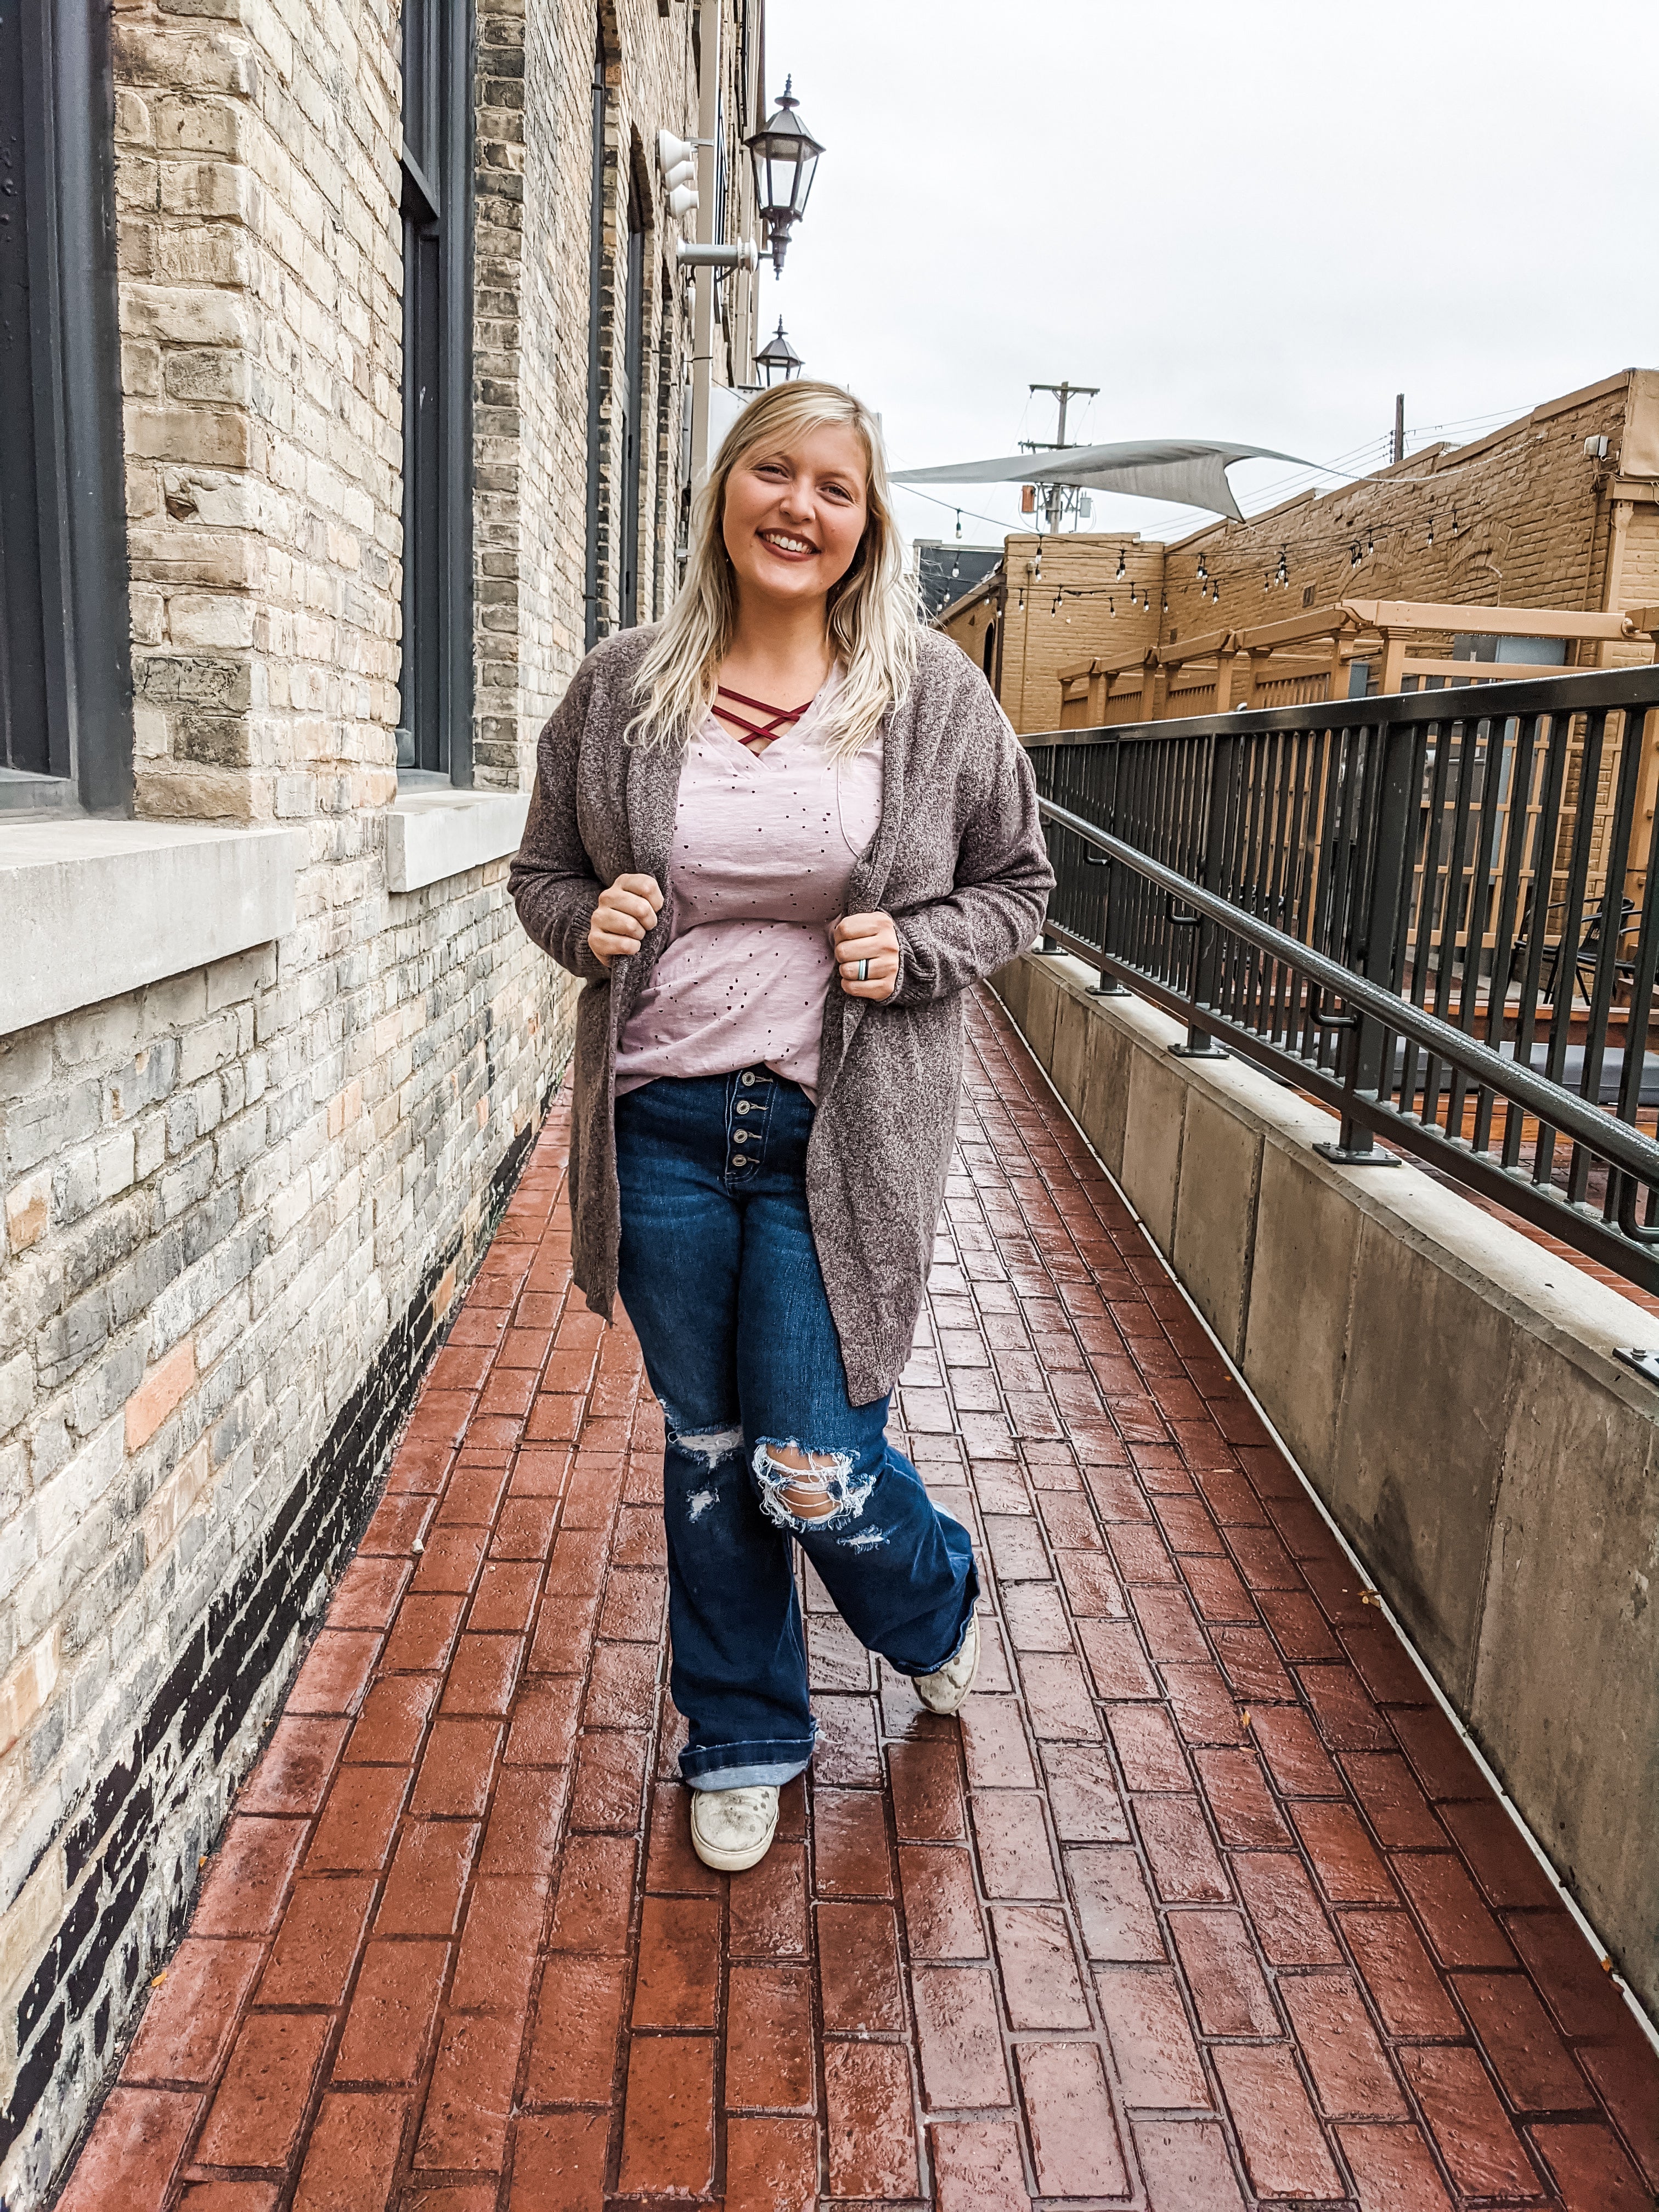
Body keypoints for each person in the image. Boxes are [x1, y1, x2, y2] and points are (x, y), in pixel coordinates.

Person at [509, 380, 1053, 1873]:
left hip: (839, 1141)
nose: (799, 507)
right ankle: (742, 1729)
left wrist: (918, 949)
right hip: (664, 1127)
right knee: (713, 1448)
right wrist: (590, 919)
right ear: (724, 493)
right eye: (773, 472)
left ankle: (928, 1601)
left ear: (867, 522)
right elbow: (542, 873)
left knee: (812, 1460)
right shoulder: (624, 685)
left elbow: (1020, 881)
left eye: (834, 486)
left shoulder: (929, 693)